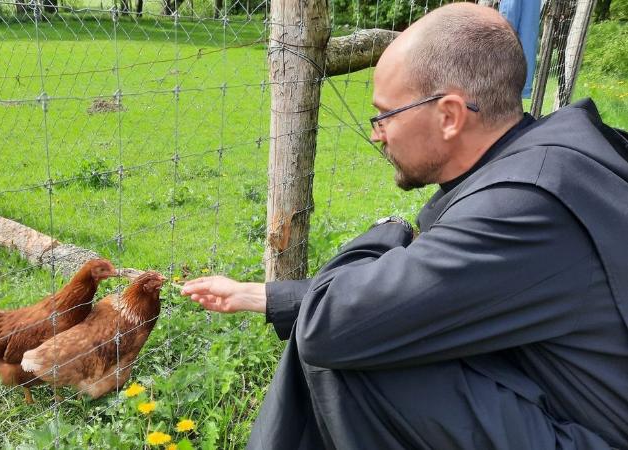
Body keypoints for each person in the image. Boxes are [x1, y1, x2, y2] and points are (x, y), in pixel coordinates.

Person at [181, 3, 628, 450]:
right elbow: (415, 300)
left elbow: (329, 329)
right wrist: (268, 297)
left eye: (386, 114)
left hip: (593, 435)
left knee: (352, 358)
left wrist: (387, 232)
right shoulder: (551, 157)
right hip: (579, 408)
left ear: (450, 115)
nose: (377, 133)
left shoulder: (521, 207)